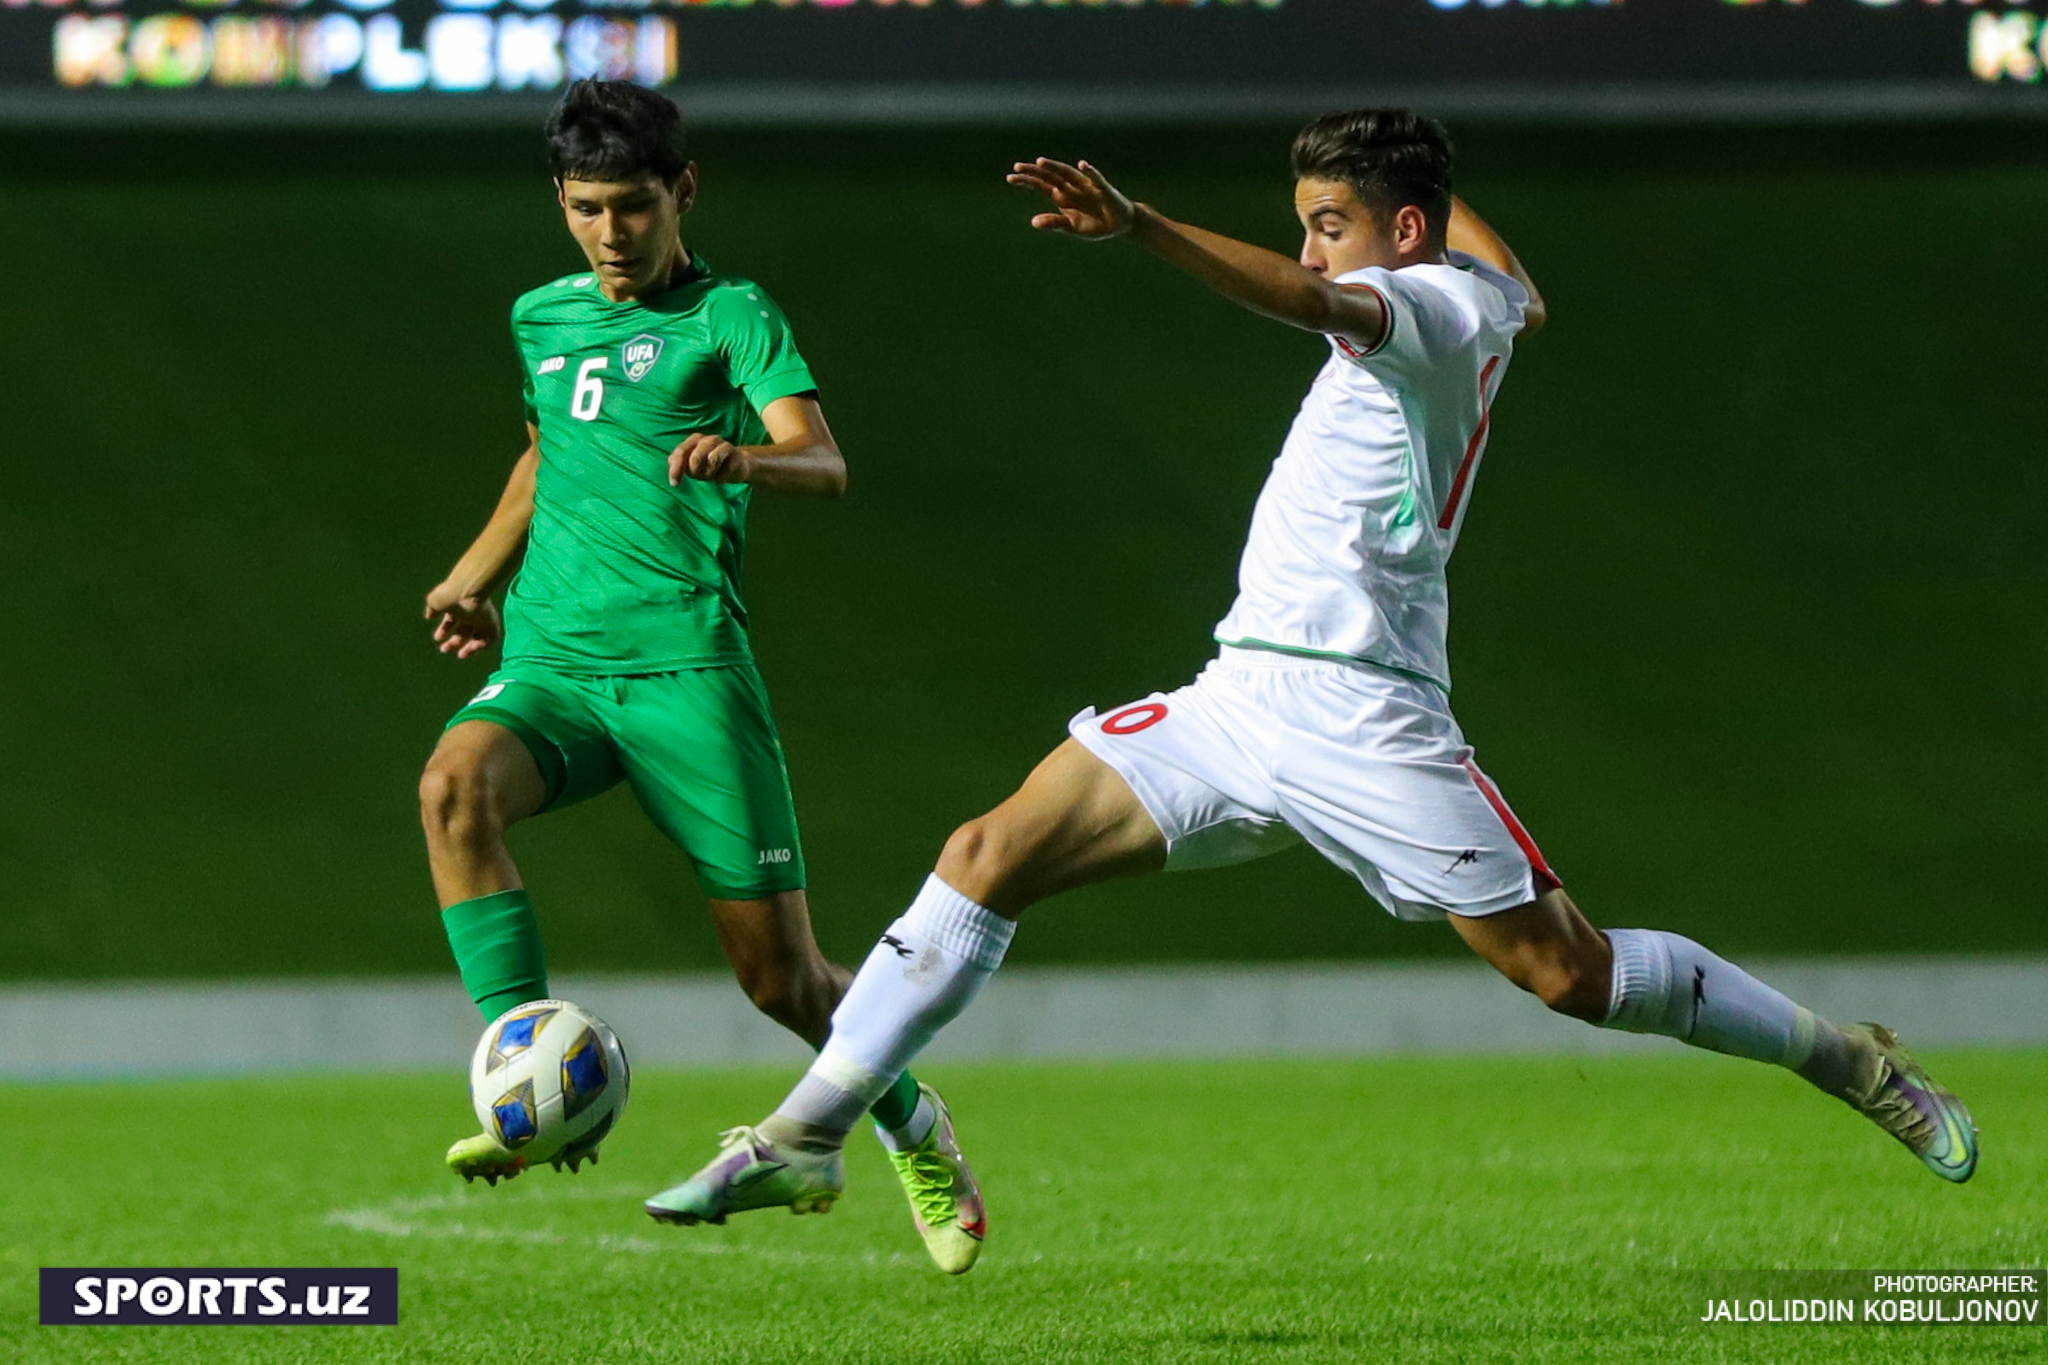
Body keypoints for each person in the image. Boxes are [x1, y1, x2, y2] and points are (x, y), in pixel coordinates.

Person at [644, 108, 1978, 1237]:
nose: (1306, 243)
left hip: (1369, 716)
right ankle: (808, 1135)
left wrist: (1145, 227)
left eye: (1327, 216)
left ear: (1401, 234)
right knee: (988, 848)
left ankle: (1846, 1058)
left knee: (1570, 975)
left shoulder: (1428, 312)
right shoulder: (1486, 290)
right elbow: (1475, 261)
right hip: (1237, 698)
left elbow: (1311, 296)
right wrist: (1402, 170)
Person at [419, 79, 986, 1275]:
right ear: (560, 202)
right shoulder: (541, 316)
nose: (609, 234)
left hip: (687, 674)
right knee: (452, 789)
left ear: (682, 190)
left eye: (631, 207)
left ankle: (907, 1122)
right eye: (584, 209)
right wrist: (474, 575)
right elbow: (547, 454)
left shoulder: (732, 315)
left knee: (780, 980)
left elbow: (820, 460)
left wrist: (745, 456)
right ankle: (521, 1074)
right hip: (555, 664)